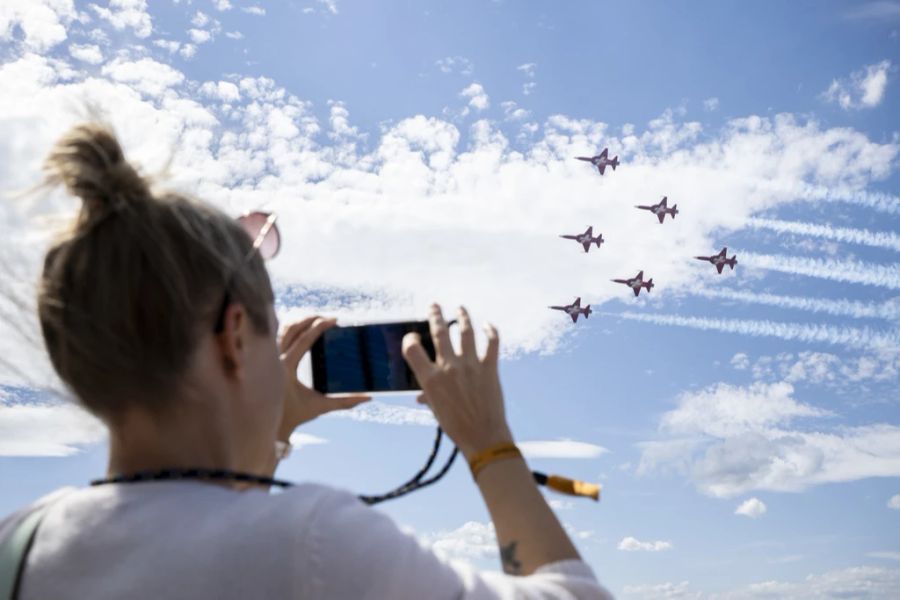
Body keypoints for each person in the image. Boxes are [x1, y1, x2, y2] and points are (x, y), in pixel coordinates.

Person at [0, 123, 611, 599]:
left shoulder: (19, 541)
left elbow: (198, 529)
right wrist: (487, 440)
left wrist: (271, 433)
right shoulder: (314, 541)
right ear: (236, 339)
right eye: (271, 337)